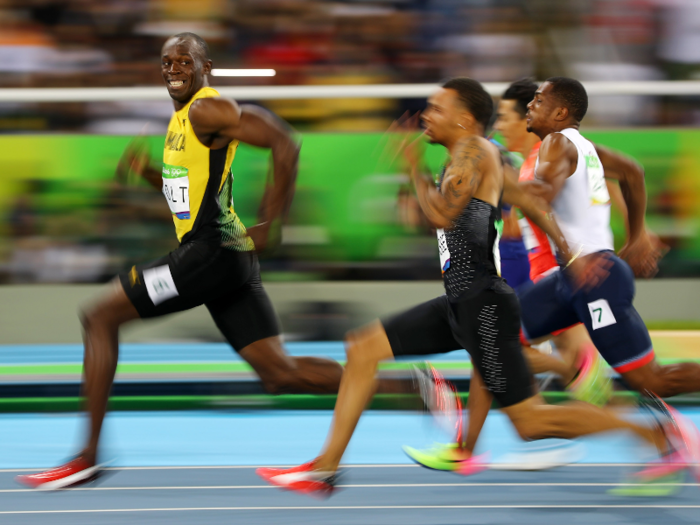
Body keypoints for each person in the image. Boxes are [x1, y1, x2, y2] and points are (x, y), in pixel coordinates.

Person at [257, 77, 686, 496]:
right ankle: (326, 468)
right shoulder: (465, 159)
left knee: (531, 424)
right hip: (459, 301)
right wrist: (566, 248)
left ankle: (647, 435)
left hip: (483, 307)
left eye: (436, 108)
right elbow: (528, 199)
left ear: (463, 119)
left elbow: (442, 215)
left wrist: (411, 168)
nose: (426, 115)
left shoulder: (478, 152)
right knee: (362, 348)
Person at [16, 32, 350, 489]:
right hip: (227, 258)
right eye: (167, 62)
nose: (174, 69)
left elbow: (285, 143)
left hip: (208, 254)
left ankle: (87, 456)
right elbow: (192, 194)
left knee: (98, 317)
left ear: (204, 65)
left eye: (184, 61)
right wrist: (151, 174)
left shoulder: (205, 109)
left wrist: (274, 225)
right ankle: (401, 383)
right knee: (278, 373)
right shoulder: (179, 121)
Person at [494, 78, 609, 400]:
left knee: (583, 368)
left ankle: (648, 429)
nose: (500, 126)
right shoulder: (530, 161)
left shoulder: (551, 151)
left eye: (505, 117)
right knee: (584, 375)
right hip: (544, 269)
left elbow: (605, 185)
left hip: (557, 271)